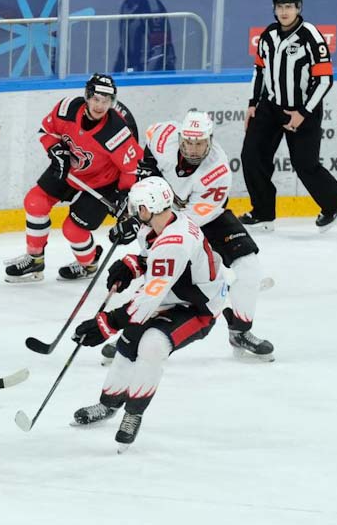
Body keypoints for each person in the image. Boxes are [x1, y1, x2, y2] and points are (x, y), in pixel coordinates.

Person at [70, 177, 227, 452]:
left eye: (136, 206)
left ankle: (133, 413)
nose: (133, 211)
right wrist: (132, 265)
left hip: (199, 307)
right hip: (173, 294)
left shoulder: (175, 241)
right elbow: (155, 261)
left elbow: (150, 295)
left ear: (148, 208)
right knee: (129, 339)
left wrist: (107, 323)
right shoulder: (159, 224)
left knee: (153, 345)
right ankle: (108, 404)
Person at [109, 110, 273, 360]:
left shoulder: (217, 171)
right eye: (188, 143)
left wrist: (145, 222)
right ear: (180, 137)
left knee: (249, 267)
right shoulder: (165, 136)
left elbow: (190, 222)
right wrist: (147, 172)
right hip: (163, 214)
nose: (194, 149)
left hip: (206, 217)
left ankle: (240, 331)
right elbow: (150, 143)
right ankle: (131, 336)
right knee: (160, 279)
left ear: (210, 140)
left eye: (200, 143)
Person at [4, 74, 143, 283]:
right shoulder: (67, 109)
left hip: (103, 182)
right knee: (35, 202)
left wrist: (124, 195)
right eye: (96, 99)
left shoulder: (117, 132)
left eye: (106, 101)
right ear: (87, 96)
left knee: (73, 230)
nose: (100, 106)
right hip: (69, 169)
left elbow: (132, 169)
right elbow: (47, 131)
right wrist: (56, 150)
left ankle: (89, 264)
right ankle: (35, 259)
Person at [240, 0, 337, 232]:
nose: (284, 11)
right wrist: (252, 103)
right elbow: (259, 71)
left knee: (304, 164)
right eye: (280, 7)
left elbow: (324, 79)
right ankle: (263, 213)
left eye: (289, 6)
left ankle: (333, 206)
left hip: (303, 110)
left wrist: (303, 112)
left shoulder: (311, 36)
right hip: (270, 107)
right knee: (252, 155)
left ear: (298, 8)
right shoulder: (268, 35)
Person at [113, 0, 177, 73]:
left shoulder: (153, 7)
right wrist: (116, 71)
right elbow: (124, 43)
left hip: (158, 71)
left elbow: (161, 48)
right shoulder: (126, 6)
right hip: (135, 70)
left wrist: (145, 74)